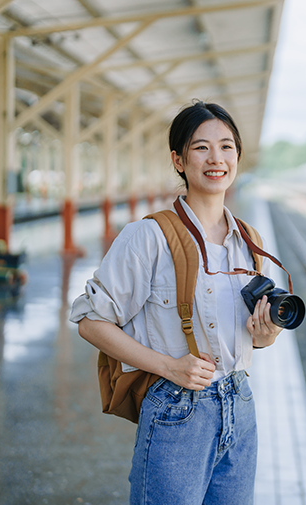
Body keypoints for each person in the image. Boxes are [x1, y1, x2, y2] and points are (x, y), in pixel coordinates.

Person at [69, 101, 282, 504]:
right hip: (176, 410)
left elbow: (254, 341)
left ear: (238, 155)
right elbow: (90, 321)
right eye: (201, 148)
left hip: (240, 404)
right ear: (179, 160)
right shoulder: (147, 237)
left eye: (227, 147)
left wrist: (265, 335)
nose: (216, 158)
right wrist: (170, 367)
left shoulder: (250, 242)